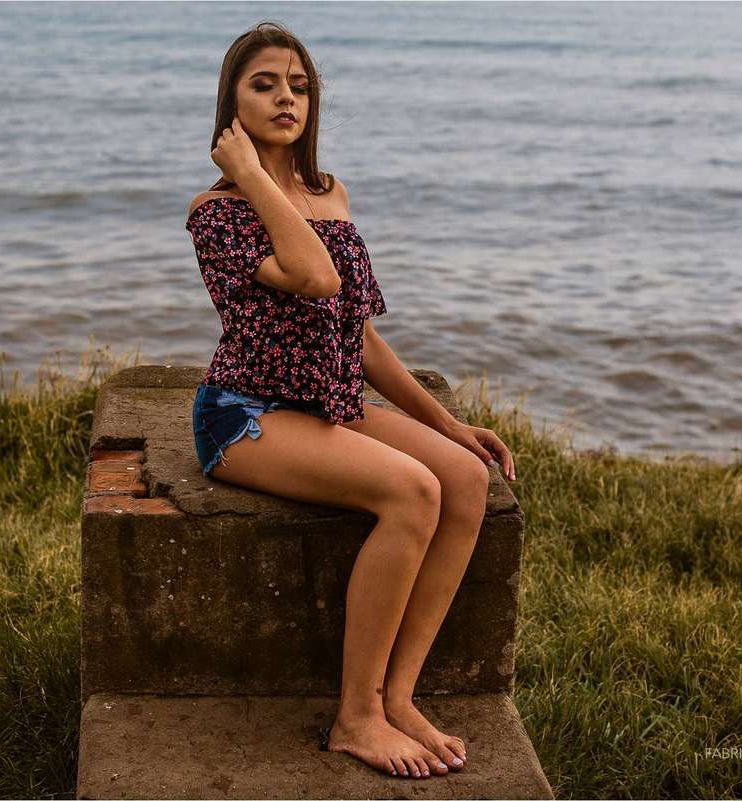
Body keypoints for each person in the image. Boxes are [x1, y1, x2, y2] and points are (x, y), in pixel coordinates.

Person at [185, 22, 517, 781]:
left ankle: (397, 696)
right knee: (412, 491)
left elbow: (355, 335)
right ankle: (354, 716)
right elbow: (316, 277)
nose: (285, 98)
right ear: (230, 102)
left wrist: (448, 422)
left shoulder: (329, 192)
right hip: (246, 415)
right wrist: (257, 176)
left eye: (298, 85)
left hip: (326, 401)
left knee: (465, 477)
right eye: (264, 84)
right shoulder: (217, 212)